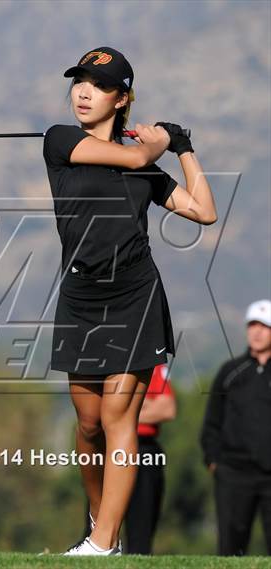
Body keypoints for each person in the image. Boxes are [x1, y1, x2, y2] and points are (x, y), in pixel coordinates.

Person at [43, 46, 217, 556]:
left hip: (134, 300)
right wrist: (160, 139)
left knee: (120, 420)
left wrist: (183, 146)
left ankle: (102, 543)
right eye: (79, 81)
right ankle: (101, 520)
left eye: (96, 85)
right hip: (79, 297)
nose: (82, 91)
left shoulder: (144, 170)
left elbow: (204, 211)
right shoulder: (60, 141)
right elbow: (139, 153)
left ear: (120, 99)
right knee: (89, 424)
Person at [200, 299, 271, 556]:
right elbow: (212, 421)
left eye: (264, 326)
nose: (257, 331)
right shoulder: (230, 371)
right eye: (252, 325)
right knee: (231, 550)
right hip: (234, 473)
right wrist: (213, 460)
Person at [82, 363, 177, 554]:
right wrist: (137, 407)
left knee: (141, 533)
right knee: (96, 524)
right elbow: (96, 414)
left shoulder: (150, 362)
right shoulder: (100, 360)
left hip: (145, 449)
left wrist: (120, 416)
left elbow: (167, 409)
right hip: (108, 451)